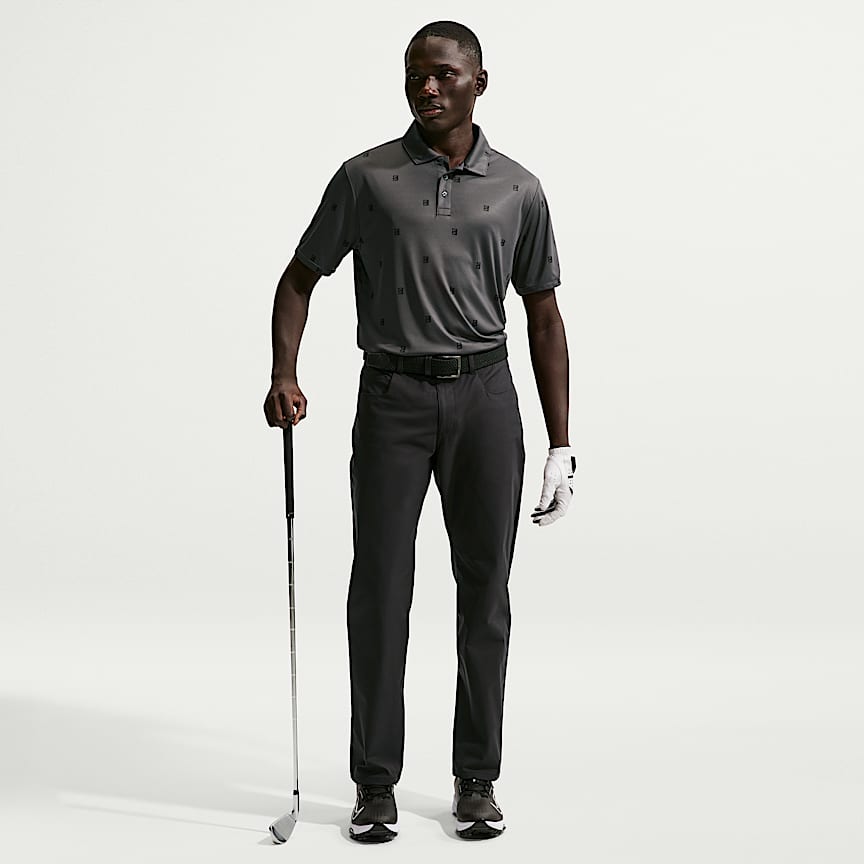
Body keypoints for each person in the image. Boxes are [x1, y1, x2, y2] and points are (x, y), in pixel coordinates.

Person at [263, 19, 576, 843]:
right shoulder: (367, 177)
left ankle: (477, 779)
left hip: (486, 399)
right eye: (415, 74)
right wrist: (285, 372)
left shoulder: (519, 188)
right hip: (393, 398)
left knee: (486, 594)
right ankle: (375, 784)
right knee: (379, 591)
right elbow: (298, 278)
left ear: (479, 82)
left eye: (442, 73)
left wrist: (561, 443)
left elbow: (544, 315)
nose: (427, 87)